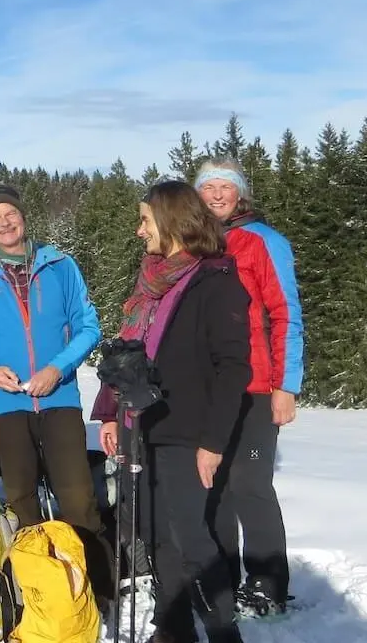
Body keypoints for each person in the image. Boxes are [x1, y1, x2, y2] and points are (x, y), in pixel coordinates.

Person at [94, 179, 250, 643]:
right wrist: (108, 412)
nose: (139, 230)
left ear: (171, 221)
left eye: (145, 220)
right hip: (144, 428)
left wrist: (213, 442)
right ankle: (174, 628)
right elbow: (129, 352)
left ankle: (224, 632)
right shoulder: (153, 282)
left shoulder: (215, 281)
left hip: (189, 432)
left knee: (192, 539)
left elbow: (233, 368)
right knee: (156, 533)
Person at [0, 183, 116, 604]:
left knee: (78, 497)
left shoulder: (60, 265)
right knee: (21, 498)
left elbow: (89, 327)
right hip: (9, 404)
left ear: (23, 219)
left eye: (10, 214)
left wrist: (57, 368)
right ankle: (39, 591)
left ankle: (97, 592)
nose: (5, 223)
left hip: (59, 398)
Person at [195, 157, 303, 616]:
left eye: (227, 186)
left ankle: (267, 583)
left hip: (257, 389)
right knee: (212, 485)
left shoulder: (263, 241)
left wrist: (287, 384)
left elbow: (285, 313)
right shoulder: (194, 245)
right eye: (208, 187)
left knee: (250, 483)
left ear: (241, 193)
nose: (218, 194)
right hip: (208, 390)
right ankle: (222, 575)